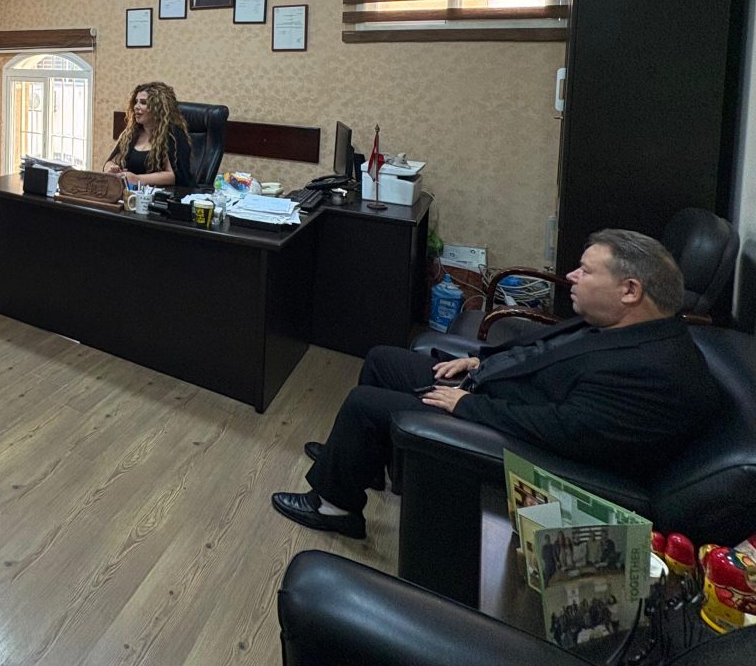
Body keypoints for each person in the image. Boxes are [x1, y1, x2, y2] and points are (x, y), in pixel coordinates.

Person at [270, 229, 718, 539]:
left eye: (586, 271)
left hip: (501, 422)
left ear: (630, 290)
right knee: (382, 359)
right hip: (492, 384)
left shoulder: (651, 370)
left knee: (364, 402)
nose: (572, 277)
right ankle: (364, 465)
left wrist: (464, 405)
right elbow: (541, 352)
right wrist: (478, 359)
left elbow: (564, 431)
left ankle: (336, 507)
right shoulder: (624, 326)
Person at [103, 81, 193, 191]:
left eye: (143, 102)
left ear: (158, 108)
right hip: (129, 195)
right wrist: (111, 169)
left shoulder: (172, 135)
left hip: (160, 197)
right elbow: (111, 161)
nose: (136, 107)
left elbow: (173, 176)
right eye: (136, 102)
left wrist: (137, 179)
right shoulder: (130, 134)